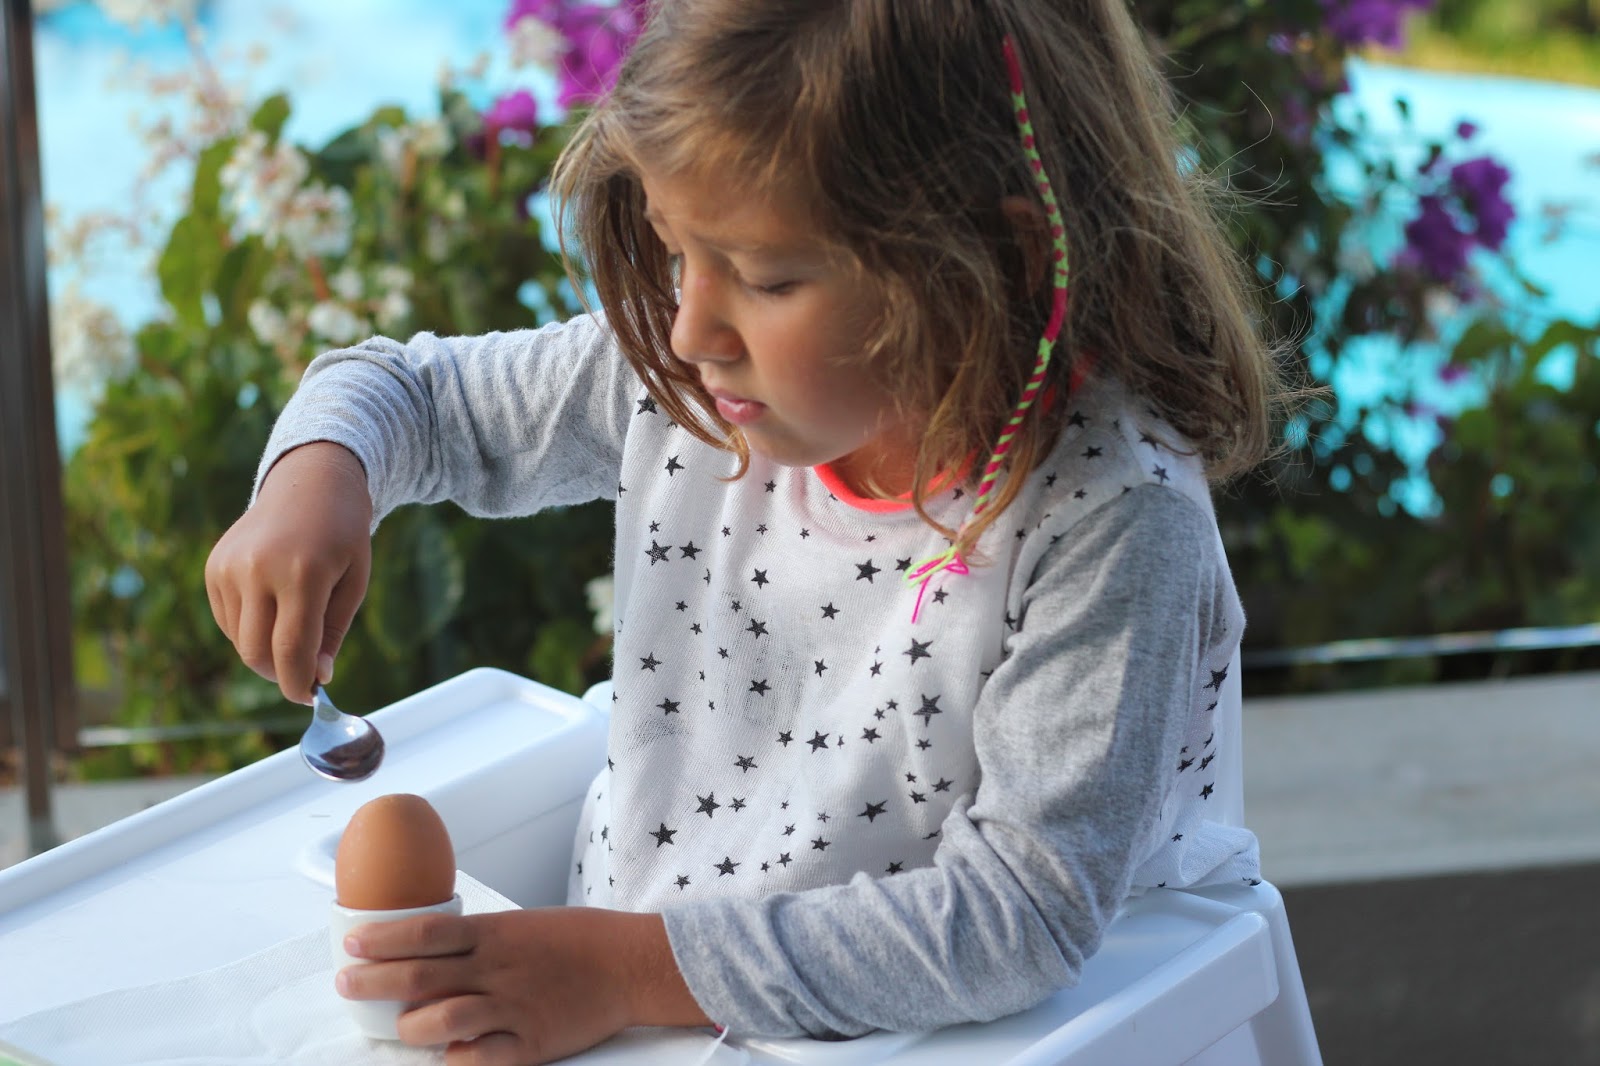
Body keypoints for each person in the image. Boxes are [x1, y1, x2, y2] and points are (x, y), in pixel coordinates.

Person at [205, 1, 1287, 1062]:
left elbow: (1021, 915)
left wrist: (621, 974)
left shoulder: (1109, 518)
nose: (689, 330)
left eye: (767, 277)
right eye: (677, 251)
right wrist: (319, 475)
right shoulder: (692, 389)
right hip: (642, 1006)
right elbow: (413, 395)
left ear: (994, 259)